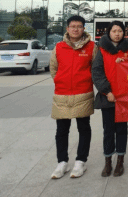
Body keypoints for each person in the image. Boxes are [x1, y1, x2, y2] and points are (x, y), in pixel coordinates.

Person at [50, 15, 98, 180]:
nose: (76, 29)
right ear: (67, 28)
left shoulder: (91, 47)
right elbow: (53, 69)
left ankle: (80, 161)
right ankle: (62, 162)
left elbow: (95, 69)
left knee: (84, 128)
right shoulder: (59, 47)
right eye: (73, 26)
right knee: (61, 130)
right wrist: (60, 81)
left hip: (83, 92)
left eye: (79, 26)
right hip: (62, 94)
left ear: (84, 28)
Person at [92, 21, 128, 178]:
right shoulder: (102, 50)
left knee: (122, 129)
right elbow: (97, 72)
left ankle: (120, 161)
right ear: (109, 32)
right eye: (114, 31)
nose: (117, 34)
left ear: (124, 33)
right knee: (108, 130)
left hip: (124, 97)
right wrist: (107, 91)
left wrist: (126, 65)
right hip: (108, 98)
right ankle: (108, 162)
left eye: (120, 31)